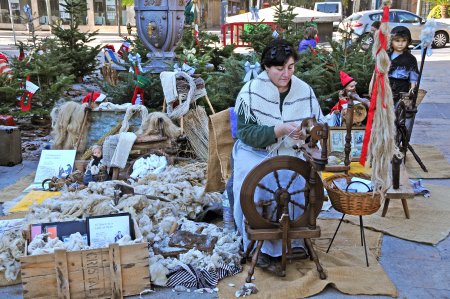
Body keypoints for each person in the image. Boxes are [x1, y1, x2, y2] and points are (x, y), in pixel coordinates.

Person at [232, 39, 325, 269]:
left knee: (299, 180)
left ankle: (295, 242)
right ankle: (261, 245)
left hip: (292, 151)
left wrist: (307, 134)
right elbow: (246, 133)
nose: (286, 74)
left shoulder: (305, 91)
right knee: (253, 179)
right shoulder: (251, 92)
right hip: (256, 151)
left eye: (291, 67)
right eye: (279, 68)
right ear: (266, 67)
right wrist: (279, 129)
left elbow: (317, 127)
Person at [388, 26, 419, 105]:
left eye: (404, 40)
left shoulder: (411, 59)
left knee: (399, 107)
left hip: (402, 87)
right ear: (391, 41)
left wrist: (412, 90)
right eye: (397, 40)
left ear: (408, 42)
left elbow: (413, 77)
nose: (400, 44)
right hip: (387, 84)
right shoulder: (386, 56)